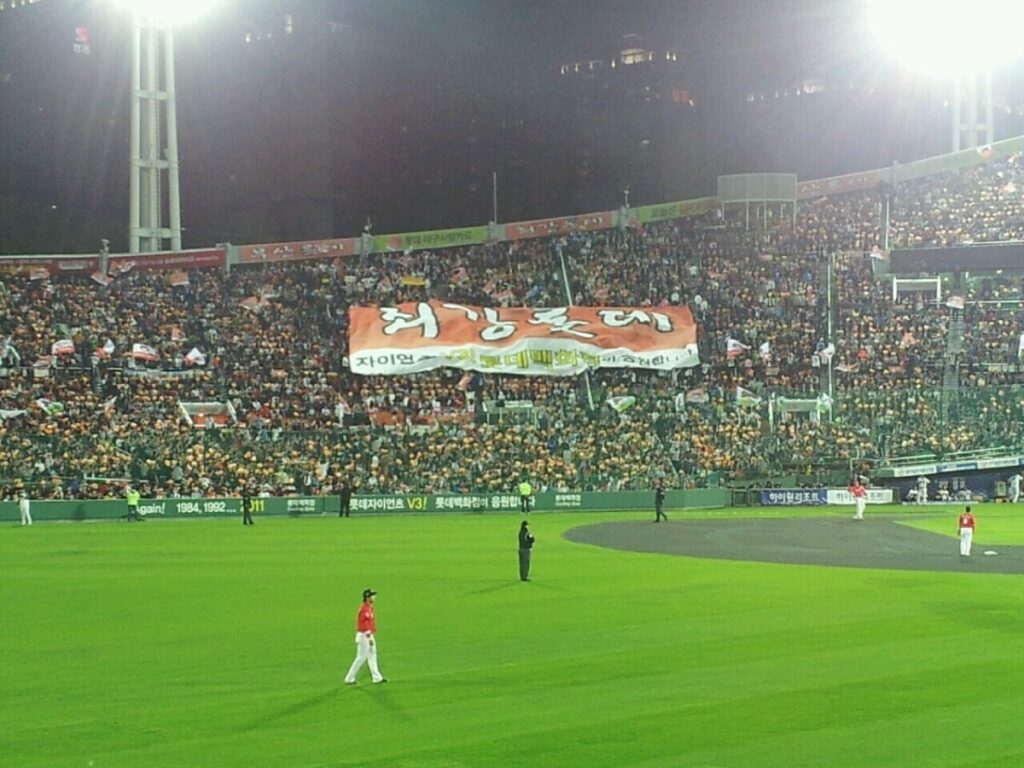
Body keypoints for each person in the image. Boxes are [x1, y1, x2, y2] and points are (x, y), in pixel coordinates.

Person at [344, 589, 386, 685]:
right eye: (372, 596)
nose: (374, 597)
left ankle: (377, 677)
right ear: (367, 597)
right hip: (364, 636)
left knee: (372, 655)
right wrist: (369, 637)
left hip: (368, 634)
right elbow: (364, 623)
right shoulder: (364, 609)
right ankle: (349, 678)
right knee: (361, 657)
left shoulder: (369, 607)